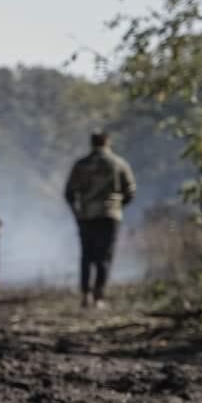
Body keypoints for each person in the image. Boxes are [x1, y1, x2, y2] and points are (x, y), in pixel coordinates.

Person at [64, 130, 136, 308]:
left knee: (87, 255)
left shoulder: (81, 165)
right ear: (108, 142)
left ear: (92, 143)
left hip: (87, 216)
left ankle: (86, 294)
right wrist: (118, 206)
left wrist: (77, 212)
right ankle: (99, 296)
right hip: (110, 215)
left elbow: (69, 193)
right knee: (105, 255)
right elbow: (130, 191)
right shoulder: (119, 163)